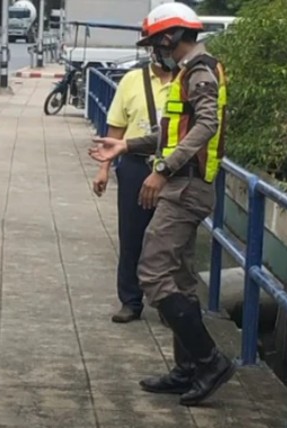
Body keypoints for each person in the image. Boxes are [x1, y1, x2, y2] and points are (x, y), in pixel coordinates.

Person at [90, 2, 234, 406]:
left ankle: (209, 362)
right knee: (182, 277)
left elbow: (206, 125)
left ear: (170, 37)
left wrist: (163, 170)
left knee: (153, 272)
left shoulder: (199, 70)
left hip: (185, 187)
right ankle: (187, 368)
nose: (155, 49)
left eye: (156, 41)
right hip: (184, 183)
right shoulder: (192, 70)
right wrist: (127, 145)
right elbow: (174, 130)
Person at [89, 26, 172, 324]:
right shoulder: (132, 81)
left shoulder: (187, 82)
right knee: (132, 235)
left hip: (174, 169)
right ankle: (131, 300)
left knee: (170, 240)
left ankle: (168, 304)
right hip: (136, 166)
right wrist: (103, 168)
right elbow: (116, 129)